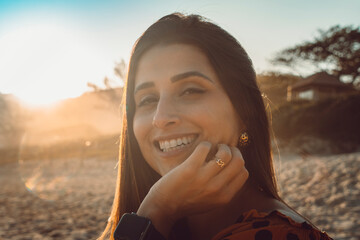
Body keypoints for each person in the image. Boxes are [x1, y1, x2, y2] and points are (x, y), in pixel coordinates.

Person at [100, 13, 332, 240]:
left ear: (245, 113)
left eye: (191, 90)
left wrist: (156, 210)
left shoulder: (275, 233)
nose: (160, 118)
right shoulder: (174, 225)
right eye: (147, 99)